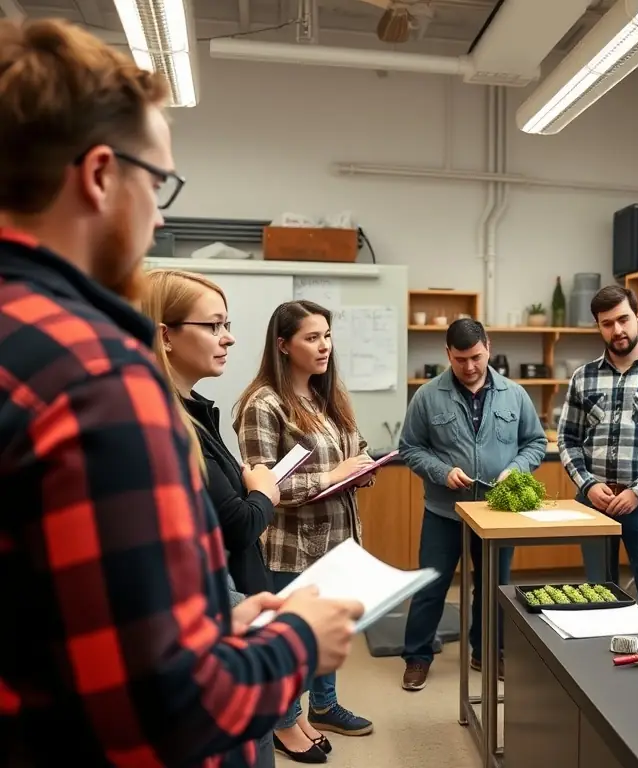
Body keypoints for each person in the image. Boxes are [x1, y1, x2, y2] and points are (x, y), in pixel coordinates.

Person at [0, 18, 363, 766]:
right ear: (100, 175)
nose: (160, 213)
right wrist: (298, 639)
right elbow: (169, 710)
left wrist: (220, 620)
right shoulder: (100, 377)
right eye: (157, 181)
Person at [143, 268, 284, 766]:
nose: (229, 338)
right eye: (214, 325)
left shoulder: (193, 410)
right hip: (218, 615)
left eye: (228, 324)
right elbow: (238, 523)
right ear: (165, 334)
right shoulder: (170, 424)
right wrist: (263, 491)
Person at [236, 299, 376, 762]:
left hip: (338, 540)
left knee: (328, 628)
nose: (324, 347)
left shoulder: (323, 394)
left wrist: (364, 465)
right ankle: (283, 723)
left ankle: (326, 705)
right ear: (283, 344)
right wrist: (335, 475)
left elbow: (354, 447)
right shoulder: (263, 402)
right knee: (292, 639)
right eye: (312, 338)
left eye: (327, 337)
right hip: (291, 548)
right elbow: (263, 481)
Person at [399, 319, 547, 691]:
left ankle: (486, 650)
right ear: (447, 354)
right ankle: (417, 656)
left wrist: (516, 469)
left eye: (476, 357)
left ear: (488, 347)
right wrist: (441, 471)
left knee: (494, 586)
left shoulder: (514, 394)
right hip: (444, 513)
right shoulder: (427, 396)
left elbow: (535, 443)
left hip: (496, 515)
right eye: (460, 359)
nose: (469, 367)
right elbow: (410, 448)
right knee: (431, 585)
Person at [558, 285, 638, 629]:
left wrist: (637, 491)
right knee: (597, 599)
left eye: (624, 320)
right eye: (607, 323)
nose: (618, 330)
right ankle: (602, 678)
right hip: (592, 502)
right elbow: (567, 440)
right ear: (599, 327)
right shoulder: (583, 377)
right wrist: (588, 484)